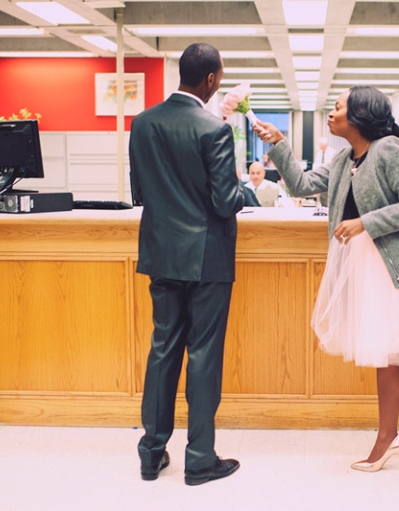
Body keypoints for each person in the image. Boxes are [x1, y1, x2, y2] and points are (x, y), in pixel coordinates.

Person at [253, 86, 399, 472]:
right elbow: (304, 185)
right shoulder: (344, 159)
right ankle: (391, 436)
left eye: (338, 107)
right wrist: (279, 144)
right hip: (370, 267)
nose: (331, 113)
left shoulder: (389, 149)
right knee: (387, 352)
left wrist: (363, 223)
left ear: (359, 116)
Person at [129, 42, 243, 486]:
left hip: (161, 252)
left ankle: (151, 453)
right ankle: (199, 458)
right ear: (212, 80)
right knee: (203, 356)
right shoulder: (214, 129)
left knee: (163, 351)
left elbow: (140, 190)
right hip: (207, 258)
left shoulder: (142, 123)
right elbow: (224, 201)